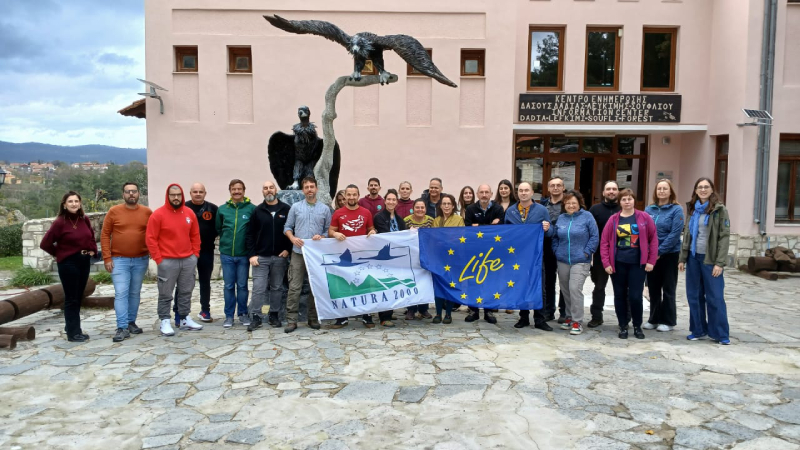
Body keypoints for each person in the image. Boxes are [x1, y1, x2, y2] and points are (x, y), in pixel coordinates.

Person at [599, 189, 657, 340]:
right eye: (624, 199)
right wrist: (606, 262)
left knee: (635, 296)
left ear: (634, 201)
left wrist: (651, 261)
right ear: (620, 202)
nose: (627, 202)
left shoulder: (644, 217)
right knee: (619, 295)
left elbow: (653, 239)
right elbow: (604, 242)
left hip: (637, 264)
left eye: (630, 199)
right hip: (618, 264)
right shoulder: (613, 220)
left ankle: (637, 326)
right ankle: (623, 325)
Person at [679, 178, 731, 345]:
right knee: (694, 296)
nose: (702, 190)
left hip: (710, 260)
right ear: (695, 190)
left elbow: (724, 237)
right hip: (694, 258)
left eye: (706, 187)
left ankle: (720, 334)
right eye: (699, 187)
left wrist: (720, 263)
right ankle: (698, 330)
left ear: (711, 190)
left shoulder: (719, 210)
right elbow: (687, 234)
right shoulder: (693, 209)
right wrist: (683, 258)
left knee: (715, 297)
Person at [146, 184, 203, 337]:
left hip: (187, 260)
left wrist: (195, 255)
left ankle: (184, 318)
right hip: (167, 261)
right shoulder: (158, 215)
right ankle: (164, 320)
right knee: (165, 293)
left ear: (182, 195)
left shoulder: (189, 213)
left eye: (178, 195)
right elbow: (151, 238)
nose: (176, 198)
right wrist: (159, 259)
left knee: (186, 291)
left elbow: (195, 235)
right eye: (173, 195)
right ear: (168, 196)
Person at [40, 191, 97, 342]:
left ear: (80, 203)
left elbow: (90, 237)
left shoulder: (83, 219)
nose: (74, 204)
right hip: (68, 263)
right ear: (64, 205)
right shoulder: (60, 222)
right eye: (70, 201)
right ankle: (73, 332)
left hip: (84, 261)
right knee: (71, 298)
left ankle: (70, 325)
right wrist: (60, 254)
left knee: (78, 296)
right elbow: (45, 243)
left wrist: (93, 251)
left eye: (76, 201)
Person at [101, 182, 152, 342]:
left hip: (141, 259)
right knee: (121, 293)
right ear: (123, 194)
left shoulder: (147, 212)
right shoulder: (114, 211)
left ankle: (131, 322)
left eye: (134, 191)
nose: (131, 194)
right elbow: (104, 235)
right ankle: (121, 327)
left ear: (138, 194)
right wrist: (107, 257)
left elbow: (154, 233)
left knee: (134, 293)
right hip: (119, 260)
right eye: (128, 191)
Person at [283, 176, 331, 333]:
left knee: (314, 287)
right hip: (298, 252)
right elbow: (287, 227)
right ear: (303, 190)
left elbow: (328, 231)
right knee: (294, 287)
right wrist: (292, 238)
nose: (309, 189)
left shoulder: (324, 209)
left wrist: (322, 237)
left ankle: (313, 318)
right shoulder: (295, 207)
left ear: (316, 189)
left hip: (316, 254)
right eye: (306, 187)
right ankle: (291, 320)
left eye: (312, 186)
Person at [504, 182, 552, 331]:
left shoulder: (541, 210)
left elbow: (551, 232)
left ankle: (540, 319)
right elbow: (506, 234)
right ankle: (523, 317)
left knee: (540, 287)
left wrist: (548, 229)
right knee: (521, 286)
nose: (523, 193)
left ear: (532, 193)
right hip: (517, 257)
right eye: (520, 191)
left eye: (526, 190)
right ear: (517, 193)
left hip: (536, 257)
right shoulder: (511, 211)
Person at [246, 181, 292, 331]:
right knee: (258, 288)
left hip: (280, 257)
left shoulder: (286, 209)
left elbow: (293, 230)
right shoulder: (257, 210)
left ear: (276, 190)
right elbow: (250, 235)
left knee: (277, 287)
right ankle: (256, 316)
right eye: (265, 188)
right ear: (262, 192)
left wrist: (288, 249)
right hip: (261, 258)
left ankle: (274, 315)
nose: (268, 190)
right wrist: (252, 255)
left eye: (271, 187)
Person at [329, 184, 377, 329]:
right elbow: (330, 231)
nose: (351, 197)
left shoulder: (366, 212)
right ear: (345, 197)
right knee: (343, 284)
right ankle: (342, 317)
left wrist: (373, 232)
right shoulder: (338, 213)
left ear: (358, 195)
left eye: (354, 194)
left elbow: (370, 228)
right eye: (348, 195)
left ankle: (366, 316)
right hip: (344, 255)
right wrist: (335, 234)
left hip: (362, 254)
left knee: (364, 284)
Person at [551, 191, 599, 336]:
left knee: (574, 288)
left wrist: (587, 252)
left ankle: (577, 320)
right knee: (565, 289)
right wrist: (556, 251)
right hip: (563, 260)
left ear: (579, 204)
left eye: (574, 203)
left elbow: (594, 236)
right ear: (564, 205)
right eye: (568, 203)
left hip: (580, 261)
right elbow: (555, 237)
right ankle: (569, 316)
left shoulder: (587, 217)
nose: (571, 205)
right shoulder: (561, 218)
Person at [643, 179, 683, 332]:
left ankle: (668, 320)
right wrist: (650, 252)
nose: (661, 191)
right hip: (652, 255)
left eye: (665, 189)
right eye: (659, 188)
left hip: (669, 255)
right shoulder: (649, 209)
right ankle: (653, 318)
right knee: (653, 288)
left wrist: (659, 251)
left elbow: (675, 234)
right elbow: (644, 230)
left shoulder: (676, 210)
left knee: (668, 288)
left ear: (670, 191)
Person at [216, 179, 256, 328]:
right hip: (227, 254)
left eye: (239, 189)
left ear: (244, 191)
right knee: (228, 286)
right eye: (234, 189)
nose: (237, 192)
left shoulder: (251, 209)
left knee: (242, 286)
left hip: (244, 255)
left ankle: (243, 314)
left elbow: (253, 231)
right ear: (230, 191)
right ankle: (228, 316)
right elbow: (219, 229)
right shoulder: (222, 209)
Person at [463, 184, 504, 324]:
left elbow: (500, 229)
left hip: (492, 251)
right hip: (474, 251)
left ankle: (489, 311)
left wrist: (479, 226)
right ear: (477, 194)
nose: (484, 194)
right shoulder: (470, 209)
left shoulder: (498, 209)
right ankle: (473, 310)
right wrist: (489, 226)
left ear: (491, 193)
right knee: (473, 281)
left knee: (491, 281)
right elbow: (469, 229)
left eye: (487, 192)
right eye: (482, 192)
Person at [180, 183, 218, 323]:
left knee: (205, 281)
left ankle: (205, 310)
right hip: (186, 252)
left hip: (206, 251)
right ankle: (180, 311)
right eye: (195, 191)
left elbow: (218, 228)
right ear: (190, 193)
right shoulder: (183, 208)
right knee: (183, 282)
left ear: (205, 193)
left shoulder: (213, 209)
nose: (197, 194)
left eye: (200, 191)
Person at [587, 181, 621, 328]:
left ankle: (624, 318)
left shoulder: (624, 208)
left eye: (614, 189)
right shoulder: (595, 210)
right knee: (599, 287)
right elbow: (589, 232)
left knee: (621, 288)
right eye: (608, 189)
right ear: (603, 192)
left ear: (618, 191)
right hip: (601, 255)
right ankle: (596, 316)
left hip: (622, 255)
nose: (611, 191)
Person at [373, 188, 406, 327]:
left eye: (393, 199)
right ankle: (384, 317)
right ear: (385, 201)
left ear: (396, 202)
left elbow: (404, 235)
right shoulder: (379, 217)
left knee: (393, 284)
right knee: (384, 284)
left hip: (396, 258)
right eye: (389, 199)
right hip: (384, 256)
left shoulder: (399, 219)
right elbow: (386, 235)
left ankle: (390, 312)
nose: (391, 202)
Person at [431, 194, 464, 324]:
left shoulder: (459, 219)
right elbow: (433, 238)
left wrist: (446, 241)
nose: (446, 206)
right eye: (444, 204)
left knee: (451, 284)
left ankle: (448, 314)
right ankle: (438, 313)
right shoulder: (436, 220)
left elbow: (460, 237)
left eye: (448, 204)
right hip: (438, 258)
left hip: (453, 258)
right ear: (440, 206)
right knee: (438, 285)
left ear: (453, 205)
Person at [540, 177, 567, 322]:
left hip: (564, 245)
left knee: (564, 280)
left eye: (558, 185)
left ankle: (563, 312)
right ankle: (549, 311)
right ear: (548, 188)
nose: (555, 188)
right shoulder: (543, 205)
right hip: (547, 245)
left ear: (563, 188)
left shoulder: (568, 204)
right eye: (552, 185)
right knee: (548, 280)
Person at [403, 198, 434, 320]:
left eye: (422, 207)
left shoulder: (431, 221)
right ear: (413, 208)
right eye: (417, 207)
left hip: (426, 255)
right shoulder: (406, 221)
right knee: (411, 282)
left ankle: (423, 309)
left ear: (425, 209)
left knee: (424, 282)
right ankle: (411, 309)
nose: (420, 210)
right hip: (410, 256)